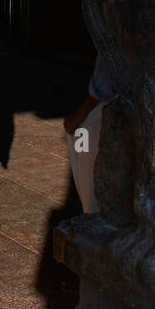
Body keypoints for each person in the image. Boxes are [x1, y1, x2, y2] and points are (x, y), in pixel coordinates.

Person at [63, 52, 115, 214]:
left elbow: (105, 83)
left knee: (89, 177)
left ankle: (91, 214)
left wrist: (82, 113)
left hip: (103, 107)